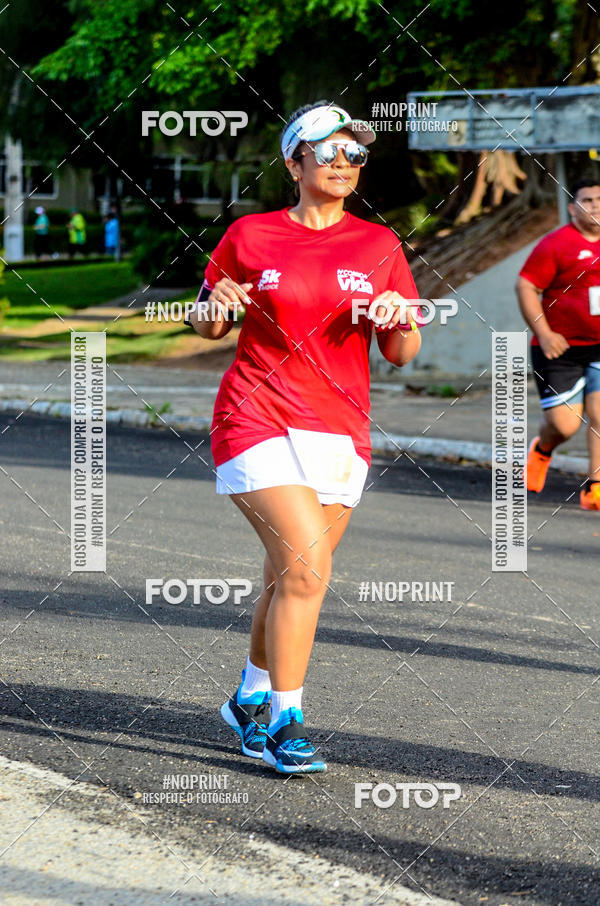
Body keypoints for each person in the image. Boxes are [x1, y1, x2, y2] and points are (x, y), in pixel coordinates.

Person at [188, 100, 422, 774]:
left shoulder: (379, 246)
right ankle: (288, 718)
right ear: (295, 163)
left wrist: (397, 315)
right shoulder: (249, 235)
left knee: (285, 574)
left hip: (340, 429)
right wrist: (213, 308)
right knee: (307, 571)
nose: (345, 163)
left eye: (355, 153)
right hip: (254, 415)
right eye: (329, 151)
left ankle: (249, 697)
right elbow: (209, 323)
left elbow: (402, 351)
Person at [517, 177, 600, 510]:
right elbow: (526, 286)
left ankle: (594, 488)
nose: (595, 205)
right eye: (587, 200)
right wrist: (546, 333)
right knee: (564, 425)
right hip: (559, 349)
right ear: (572, 207)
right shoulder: (557, 244)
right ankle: (543, 448)